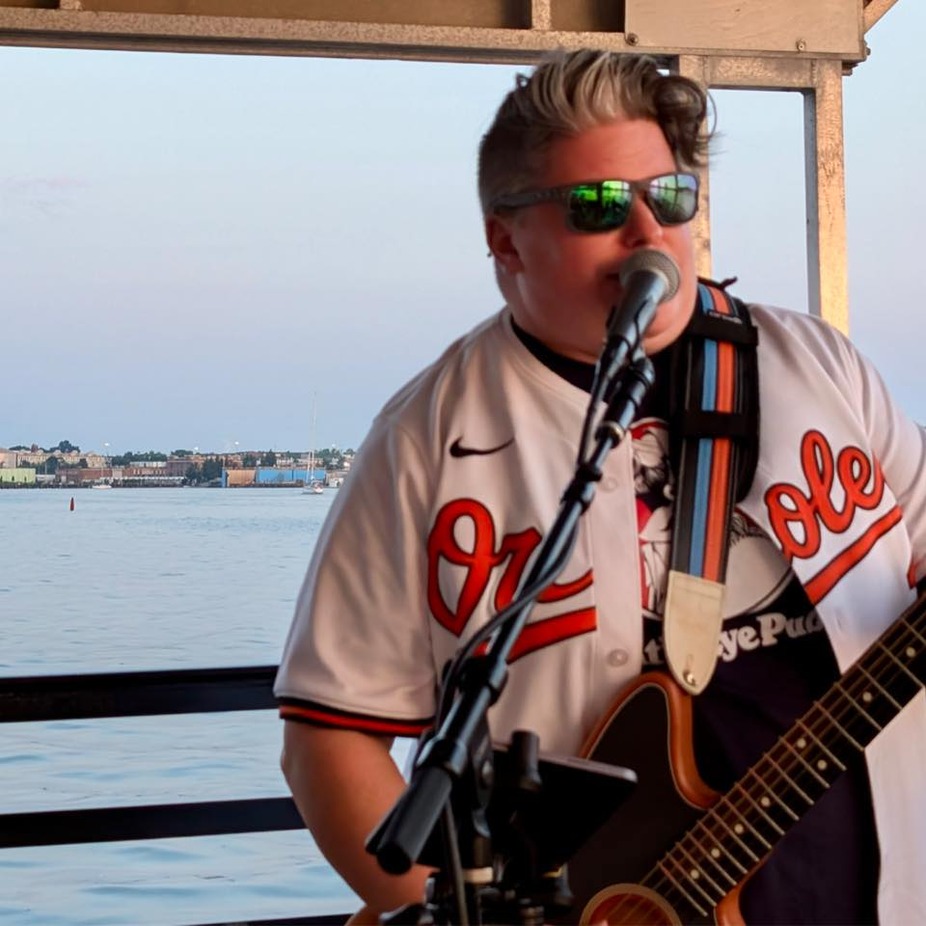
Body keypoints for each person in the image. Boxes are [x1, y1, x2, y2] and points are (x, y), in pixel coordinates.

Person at [275, 49, 926, 925]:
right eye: (599, 206)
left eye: (671, 197)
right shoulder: (424, 441)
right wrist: (435, 912)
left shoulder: (820, 367)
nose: (649, 234)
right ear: (506, 239)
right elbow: (331, 735)